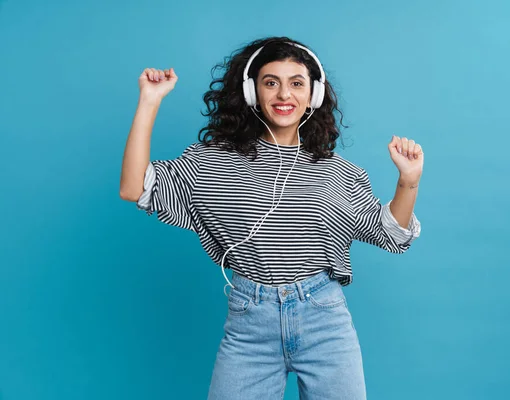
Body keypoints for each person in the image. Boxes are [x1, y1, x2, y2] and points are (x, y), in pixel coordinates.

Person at [119, 36, 424, 400]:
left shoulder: (337, 172)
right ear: (251, 93)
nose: (284, 94)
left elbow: (392, 235)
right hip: (250, 320)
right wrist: (149, 102)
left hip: (323, 318)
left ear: (312, 95)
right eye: (270, 82)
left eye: (296, 83)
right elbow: (134, 187)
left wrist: (408, 182)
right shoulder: (211, 161)